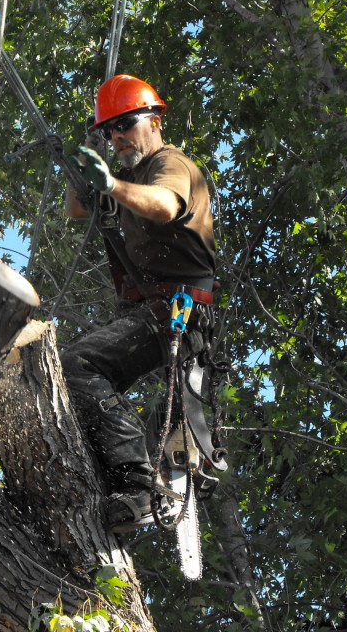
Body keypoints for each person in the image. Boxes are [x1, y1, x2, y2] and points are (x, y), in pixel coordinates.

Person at [62, 74, 217, 531]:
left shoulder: (170, 164)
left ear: (154, 119)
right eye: (109, 131)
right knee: (83, 395)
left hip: (179, 309)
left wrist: (109, 182)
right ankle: (127, 488)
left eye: (125, 124)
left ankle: (138, 485)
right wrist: (81, 172)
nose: (118, 137)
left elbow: (165, 206)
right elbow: (76, 209)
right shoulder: (127, 176)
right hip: (151, 311)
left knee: (76, 367)